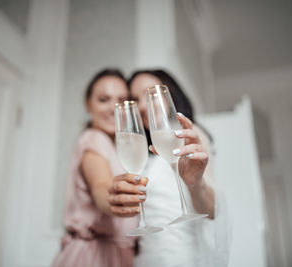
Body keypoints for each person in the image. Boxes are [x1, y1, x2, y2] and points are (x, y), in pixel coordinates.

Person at [108, 69, 231, 266]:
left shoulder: (189, 135)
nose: (142, 105)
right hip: (147, 257)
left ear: (170, 96)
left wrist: (195, 183)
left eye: (150, 94)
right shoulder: (147, 151)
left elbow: (211, 210)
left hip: (180, 256)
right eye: (135, 99)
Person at [52, 69, 143, 267]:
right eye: (103, 99)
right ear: (88, 104)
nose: (113, 108)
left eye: (120, 101)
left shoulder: (118, 148)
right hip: (94, 257)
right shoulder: (94, 139)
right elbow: (101, 186)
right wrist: (113, 197)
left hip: (117, 254)